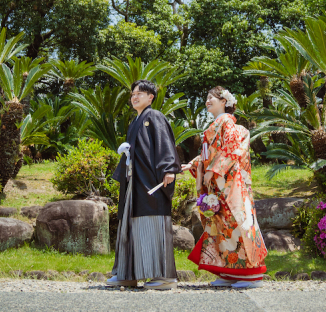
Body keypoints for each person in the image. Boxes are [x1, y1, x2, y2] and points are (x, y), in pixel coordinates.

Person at [184, 86, 268, 288]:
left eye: (211, 97)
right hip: (219, 184)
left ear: (224, 101)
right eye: (206, 97)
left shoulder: (228, 123)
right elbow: (209, 154)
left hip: (230, 186)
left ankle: (250, 274)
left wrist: (213, 170)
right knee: (221, 228)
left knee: (237, 225)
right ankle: (229, 271)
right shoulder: (216, 125)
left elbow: (231, 149)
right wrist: (194, 164)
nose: (207, 101)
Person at [106, 79, 181, 290]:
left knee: (152, 223)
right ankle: (128, 274)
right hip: (134, 181)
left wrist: (169, 169)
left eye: (139, 93)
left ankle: (163, 276)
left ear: (151, 97)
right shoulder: (135, 122)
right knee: (130, 225)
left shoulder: (154, 116)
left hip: (150, 181)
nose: (134, 97)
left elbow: (165, 143)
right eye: (132, 94)